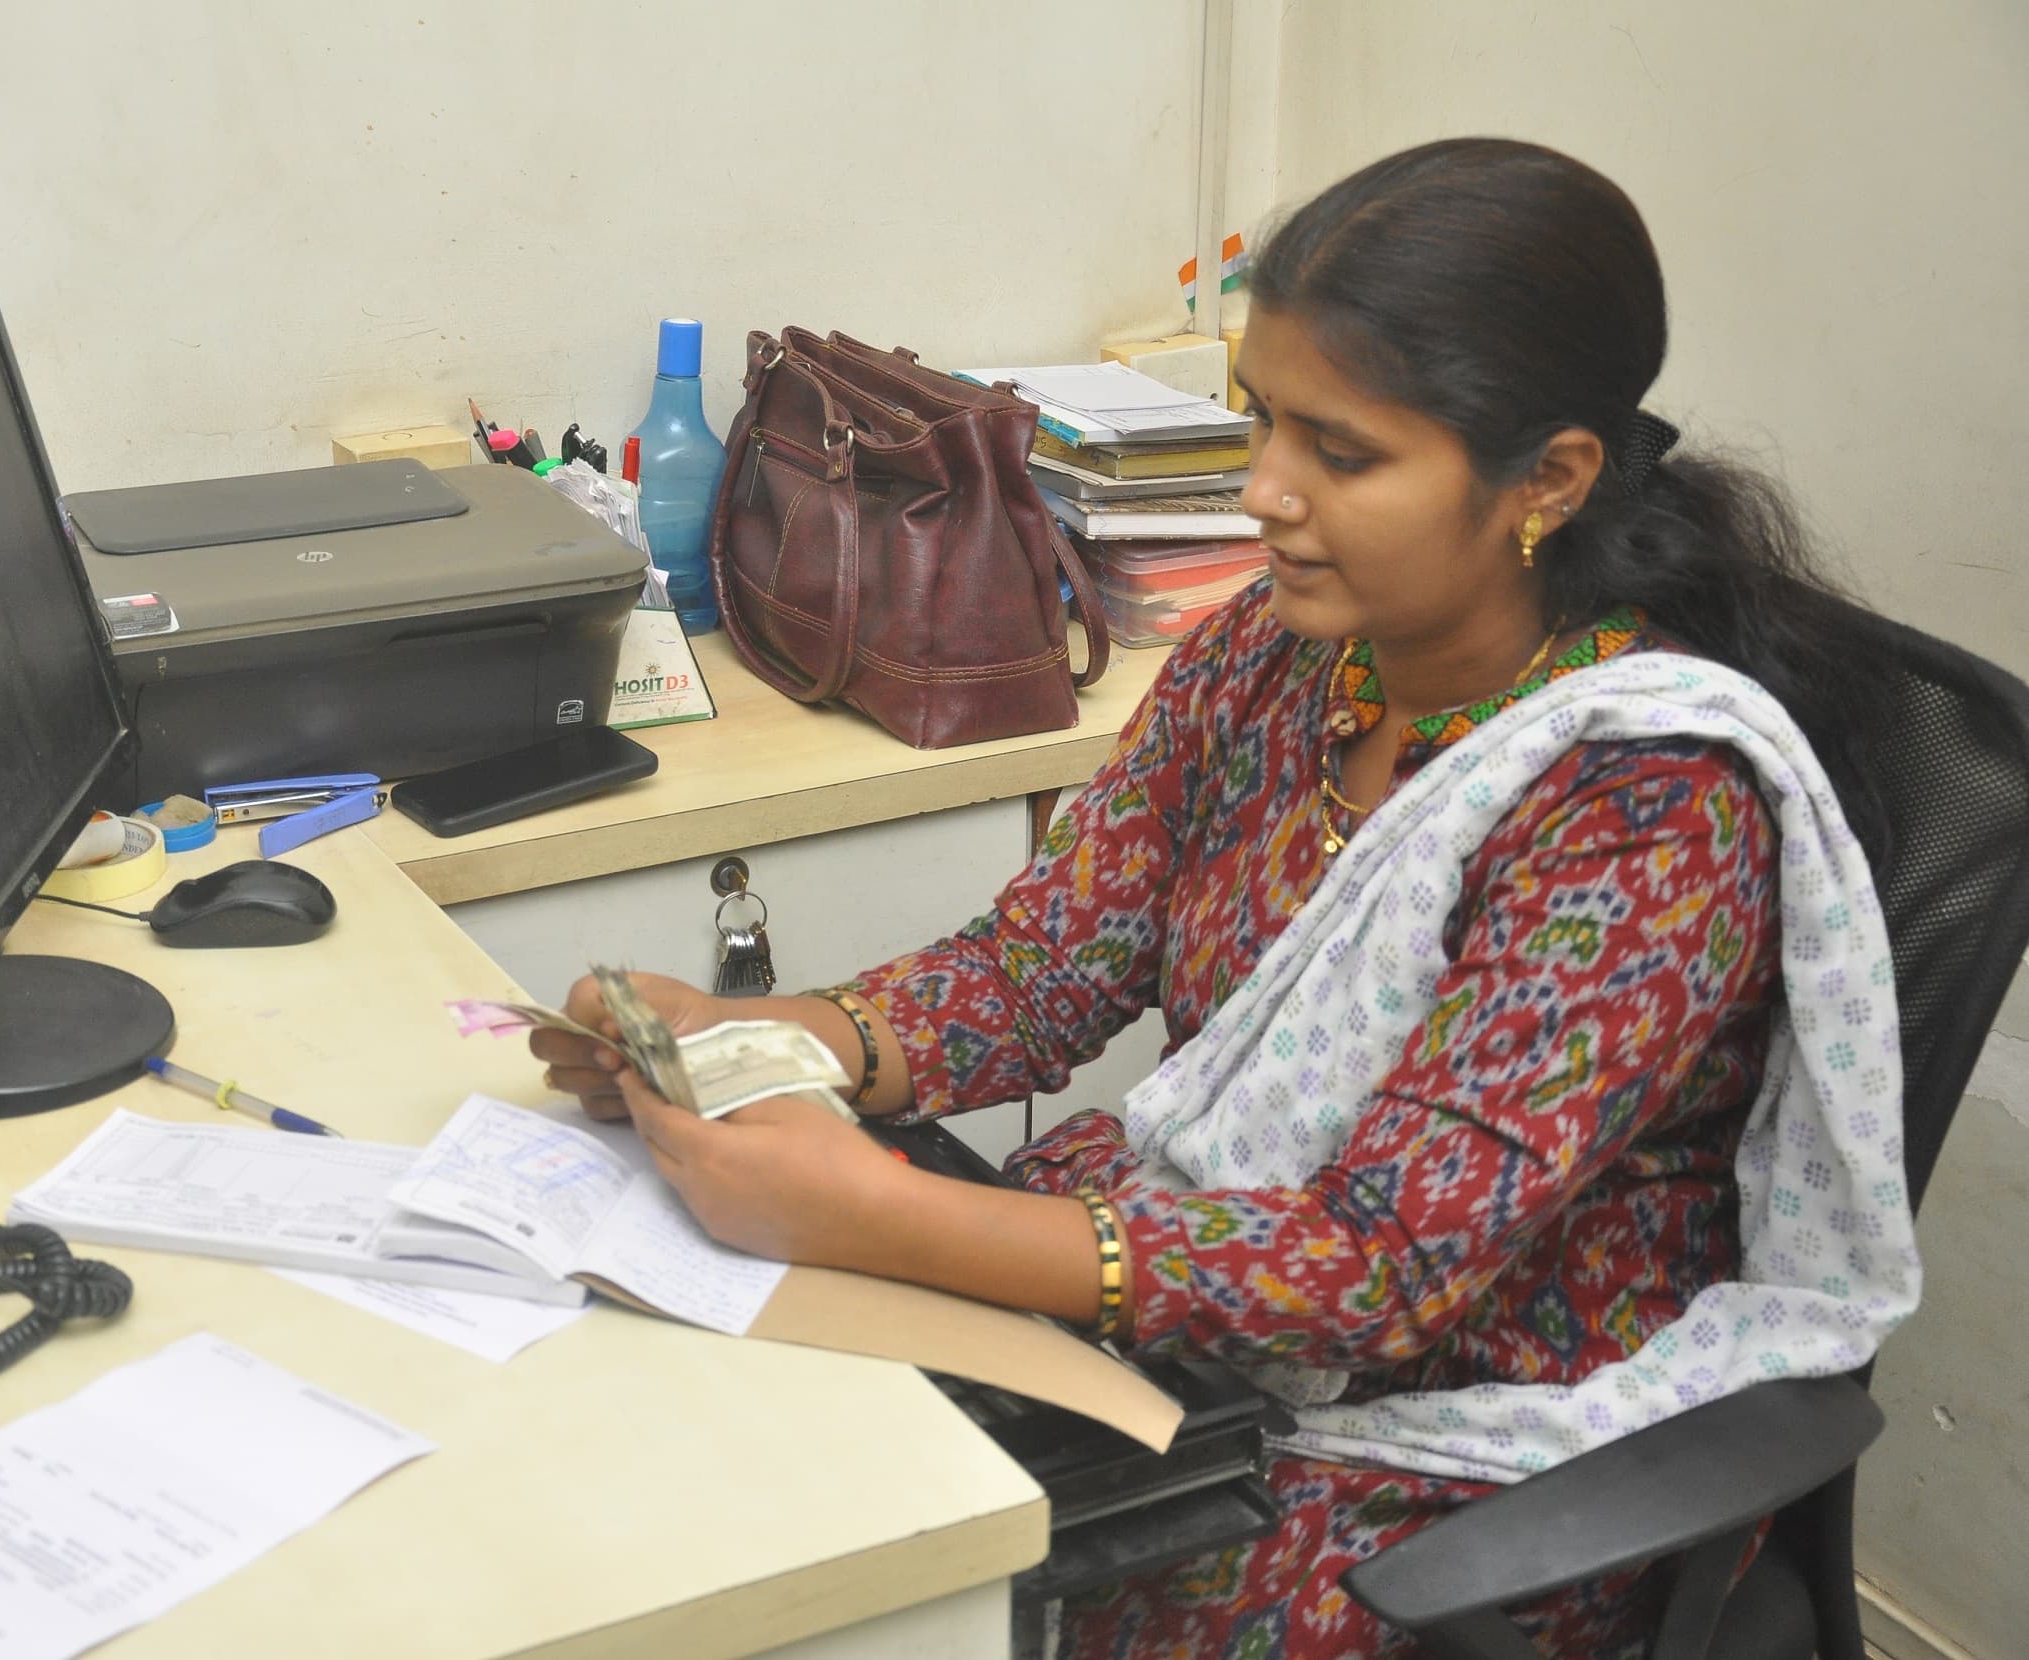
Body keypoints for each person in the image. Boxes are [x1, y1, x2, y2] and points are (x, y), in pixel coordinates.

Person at [533, 137, 1909, 1659]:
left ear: (1552, 479)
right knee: (748, 1458)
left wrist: (882, 1210)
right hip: (1193, 1311)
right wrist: (759, 1044)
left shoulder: (1643, 807)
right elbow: (1043, 967)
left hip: (1466, 1449)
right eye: (1261, 424)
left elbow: (1381, 1272)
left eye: (1344, 453)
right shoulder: (1279, 654)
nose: (1264, 494)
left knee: (925, 1596)